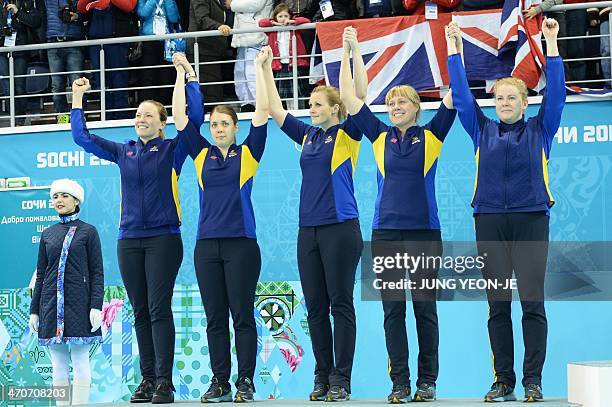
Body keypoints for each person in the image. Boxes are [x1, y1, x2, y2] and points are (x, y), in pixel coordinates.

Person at [446, 18, 565, 403]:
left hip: (531, 219)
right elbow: (462, 97)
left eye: (512, 98)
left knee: (532, 302)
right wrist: (454, 50)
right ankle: (504, 380)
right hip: (490, 220)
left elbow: (558, 95)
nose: (504, 103)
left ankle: (533, 380)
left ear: (525, 103)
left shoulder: (541, 130)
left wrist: (551, 44)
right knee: (498, 306)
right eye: (499, 98)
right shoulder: (481, 131)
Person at [339, 26, 456, 403]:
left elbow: (457, 95)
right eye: (391, 103)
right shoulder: (377, 136)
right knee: (393, 313)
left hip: (424, 234)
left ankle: (427, 382)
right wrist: (350, 50)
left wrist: (454, 45)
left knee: (425, 310)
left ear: (416, 108)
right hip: (386, 234)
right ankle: (400, 383)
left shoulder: (433, 133)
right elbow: (348, 97)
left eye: (403, 102)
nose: (396, 107)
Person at [70, 75, 191, 403]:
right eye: (138, 115)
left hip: (164, 239)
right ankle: (147, 379)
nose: (141, 119)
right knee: (139, 310)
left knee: (157, 308)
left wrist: (183, 78)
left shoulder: (172, 150)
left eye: (149, 115)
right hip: (129, 239)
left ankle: (165, 381)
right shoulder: (125, 152)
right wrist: (78, 98)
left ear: (162, 122)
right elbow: (82, 138)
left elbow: (192, 121)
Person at [263, 33, 365, 402]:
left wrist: (352, 54)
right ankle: (322, 375)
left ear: (335, 109)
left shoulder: (348, 134)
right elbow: (276, 112)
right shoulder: (307, 136)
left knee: (341, 305)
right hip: (309, 232)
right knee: (317, 308)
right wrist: (264, 70)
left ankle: (342, 378)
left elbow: (357, 99)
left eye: (318, 104)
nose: (312, 108)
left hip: (341, 228)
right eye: (310, 103)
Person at [171, 49, 269, 403]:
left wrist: (260, 68)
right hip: (206, 247)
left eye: (224, 124)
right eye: (213, 125)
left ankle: (246, 381)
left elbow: (262, 114)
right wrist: (182, 73)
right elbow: (180, 118)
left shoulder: (249, 154)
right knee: (215, 319)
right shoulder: (200, 154)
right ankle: (219, 382)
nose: (218, 129)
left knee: (241, 316)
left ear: (235, 128)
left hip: (242, 244)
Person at [29, 179, 103, 406]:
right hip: (50, 305)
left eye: (64, 196)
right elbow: (41, 274)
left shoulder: (88, 232)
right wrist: (35, 311)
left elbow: (96, 272)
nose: (59, 200)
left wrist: (96, 305)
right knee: (58, 363)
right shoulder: (47, 234)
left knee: (81, 360)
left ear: (76, 200)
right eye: (55, 196)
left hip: (79, 305)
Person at [77, 0, 137, 120]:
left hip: (117, 42)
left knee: (119, 80)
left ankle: (121, 117)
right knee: (101, 82)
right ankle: (106, 116)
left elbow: (129, 6)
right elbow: (81, 8)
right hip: (96, 43)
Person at [259, 2, 311, 110]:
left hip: (295, 65)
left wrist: (292, 22)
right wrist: (274, 24)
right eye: (280, 16)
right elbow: (261, 23)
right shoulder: (272, 30)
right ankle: (289, 113)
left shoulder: (295, 28)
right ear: (275, 17)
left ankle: (299, 112)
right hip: (281, 65)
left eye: (286, 16)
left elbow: (307, 21)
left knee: (299, 93)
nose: (283, 19)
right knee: (285, 96)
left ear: (290, 16)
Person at [0, 0, 44, 126]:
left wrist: (18, 12)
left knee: (19, 87)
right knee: (8, 88)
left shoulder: (26, 2)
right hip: (2, 50)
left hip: (20, 49)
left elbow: (36, 22)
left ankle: (20, 120)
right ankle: (13, 119)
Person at [227, 0, 273, 112]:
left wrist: (232, 4)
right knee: (240, 74)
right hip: (243, 39)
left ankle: (260, 105)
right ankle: (246, 105)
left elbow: (256, 4)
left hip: (257, 38)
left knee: (253, 74)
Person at [186, 0, 232, 108]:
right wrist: (219, 26)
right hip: (202, 50)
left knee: (213, 92)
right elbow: (201, 19)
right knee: (208, 94)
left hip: (212, 51)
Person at [44, 0, 85, 119]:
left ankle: (79, 118)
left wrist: (78, 16)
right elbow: (41, 16)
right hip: (52, 42)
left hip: (74, 41)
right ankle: (62, 118)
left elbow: (87, 11)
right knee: (57, 85)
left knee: (77, 83)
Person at [136, 0, 180, 106]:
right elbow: (142, 14)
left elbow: (174, 18)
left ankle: (165, 107)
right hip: (149, 42)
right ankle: (148, 106)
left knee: (166, 76)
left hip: (166, 43)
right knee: (148, 76)